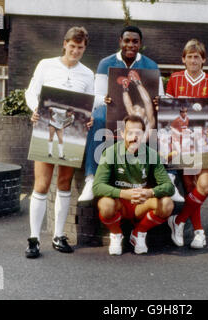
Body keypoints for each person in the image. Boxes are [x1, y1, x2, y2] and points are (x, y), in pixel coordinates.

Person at [78, 25, 174, 202]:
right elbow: (97, 96)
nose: (130, 44)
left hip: (142, 116)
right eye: (127, 40)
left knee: (168, 121)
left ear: (140, 44)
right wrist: (104, 98)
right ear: (120, 41)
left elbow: (157, 96)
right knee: (98, 117)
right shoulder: (106, 63)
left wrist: (158, 101)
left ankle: (170, 178)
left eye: (135, 41)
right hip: (115, 107)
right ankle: (91, 178)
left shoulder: (150, 65)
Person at [24, 26, 94, 259]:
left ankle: (58, 235)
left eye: (80, 47)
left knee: (64, 184)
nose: (75, 51)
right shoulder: (46, 64)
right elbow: (31, 92)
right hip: (46, 125)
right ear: (65, 44)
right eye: (72, 46)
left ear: (84, 48)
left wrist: (90, 116)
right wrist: (35, 109)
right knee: (41, 185)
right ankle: (33, 239)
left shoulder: (88, 74)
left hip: (73, 130)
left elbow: (90, 103)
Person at [165, 39, 208, 249]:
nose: (193, 60)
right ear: (183, 59)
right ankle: (199, 232)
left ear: (203, 59)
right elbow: (168, 111)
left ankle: (178, 220)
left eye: (197, 57)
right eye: (189, 56)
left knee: (205, 185)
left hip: (206, 141)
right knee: (190, 186)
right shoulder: (174, 79)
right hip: (183, 141)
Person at [92, 115, 175, 255]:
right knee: (105, 205)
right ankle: (116, 234)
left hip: (140, 204)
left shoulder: (151, 155)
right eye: (130, 132)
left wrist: (150, 192)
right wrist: (123, 193)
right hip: (120, 204)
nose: (134, 137)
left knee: (167, 204)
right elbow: (97, 186)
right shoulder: (111, 152)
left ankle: (139, 233)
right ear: (123, 134)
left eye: (138, 133)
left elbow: (169, 186)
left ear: (144, 135)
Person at [116, 69, 156, 140]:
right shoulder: (142, 123)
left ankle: (126, 87)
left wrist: (136, 83)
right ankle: (126, 87)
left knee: (131, 113)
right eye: (135, 109)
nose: (137, 109)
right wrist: (137, 83)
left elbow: (147, 102)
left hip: (137, 144)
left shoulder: (149, 123)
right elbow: (147, 102)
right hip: (134, 144)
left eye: (138, 109)